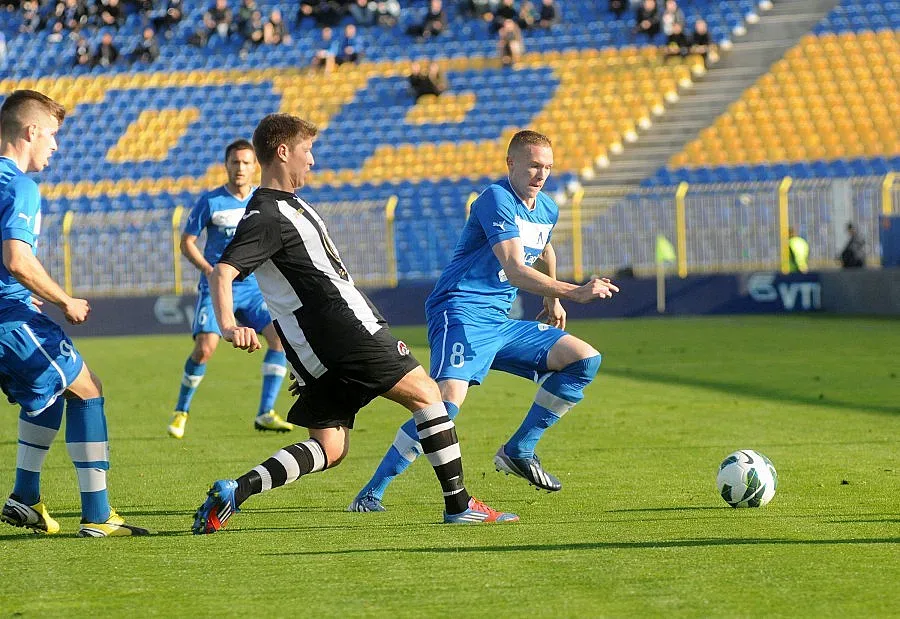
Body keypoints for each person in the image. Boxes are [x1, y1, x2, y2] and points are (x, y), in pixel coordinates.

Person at [191, 113, 517, 534]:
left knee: (330, 446)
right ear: (283, 152)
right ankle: (459, 504)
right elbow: (222, 272)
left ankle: (236, 490)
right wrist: (228, 324)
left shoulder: (287, 206)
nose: (312, 160)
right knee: (427, 395)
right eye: (307, 150)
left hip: (317, 346)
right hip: (344, 329)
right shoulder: (267, 214)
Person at [349, 130, 618, 512]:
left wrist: (552, 298)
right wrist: (574, 292)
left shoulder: (546, 207)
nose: (541, 174)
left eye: (547, 167)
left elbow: (544, 249)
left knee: (583, 359)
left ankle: (519, 450)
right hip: (460, 310)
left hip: (498, 320)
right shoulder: (495, 198)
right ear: (511, 163)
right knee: (443, 406)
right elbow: (515, 267)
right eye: (533, 166)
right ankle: (370, 494)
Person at [0, 90, 148, 537]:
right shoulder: (20, 186)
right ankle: (98, 515)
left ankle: (26, 497)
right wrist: (65, 300)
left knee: (49, 391)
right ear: (31, 132)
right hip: (10, 322)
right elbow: (17, 259)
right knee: (87, 390)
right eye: (52, 134)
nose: (56, 145)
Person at [168, 139, 291, 439]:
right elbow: (187, 242)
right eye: (235, 162)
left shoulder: (261, 201)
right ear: (226, 165)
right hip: (217, 287)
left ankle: (265, 412)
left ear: (255, 166)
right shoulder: (211, 201)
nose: (240, 168)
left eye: (246, 162)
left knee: (280, 338)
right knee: (205, 349)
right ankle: (181, 411)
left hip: (253, 288)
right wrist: (209, 270)